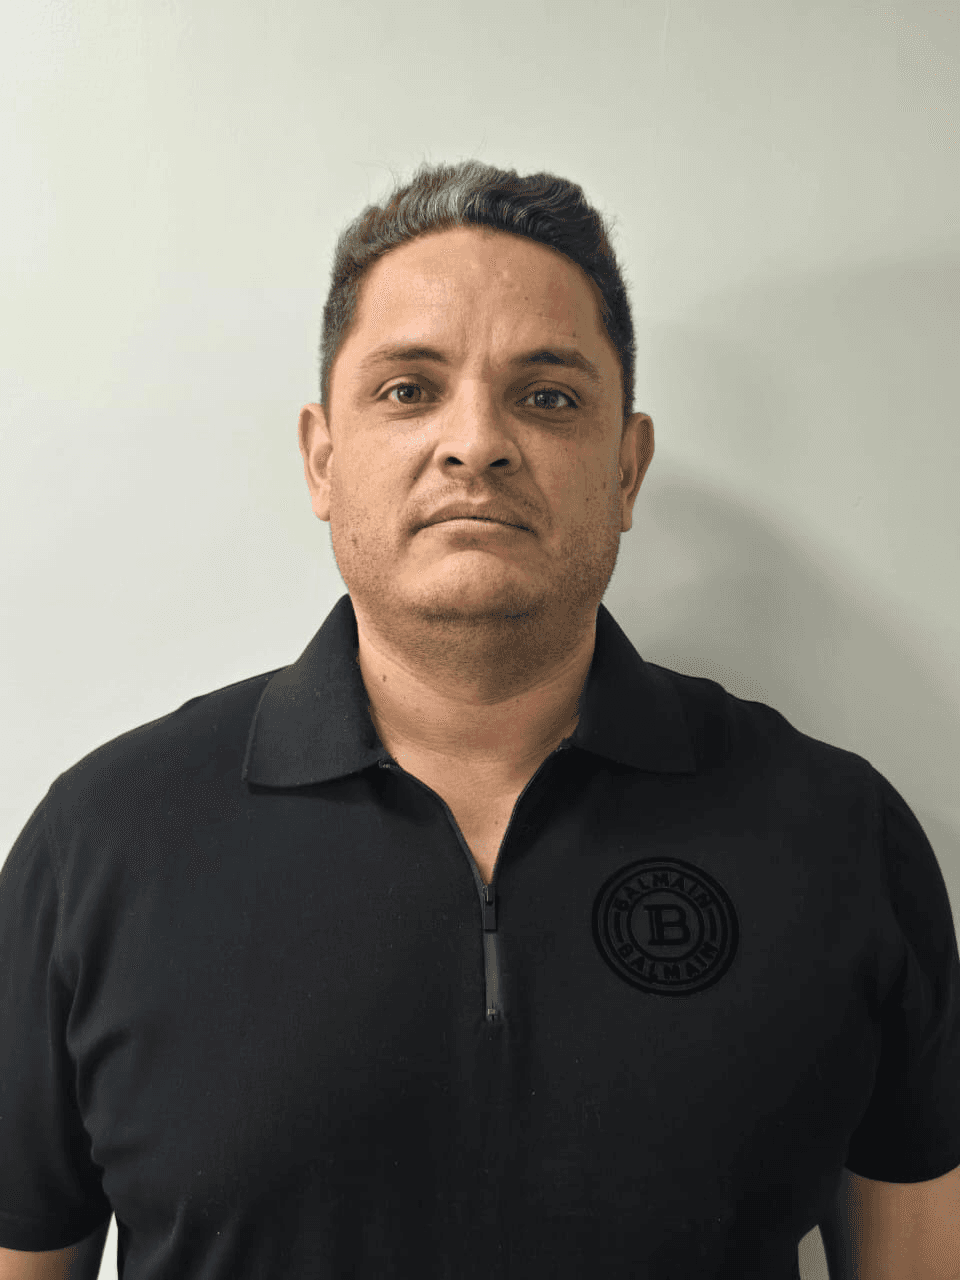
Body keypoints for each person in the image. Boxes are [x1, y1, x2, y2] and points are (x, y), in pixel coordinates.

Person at [1, 159, 959, 1280]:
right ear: (323, 459)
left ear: (627, 470)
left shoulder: (840, 837)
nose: (476, 442)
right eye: (409, 390)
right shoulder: (100, 847)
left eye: (547, 396)